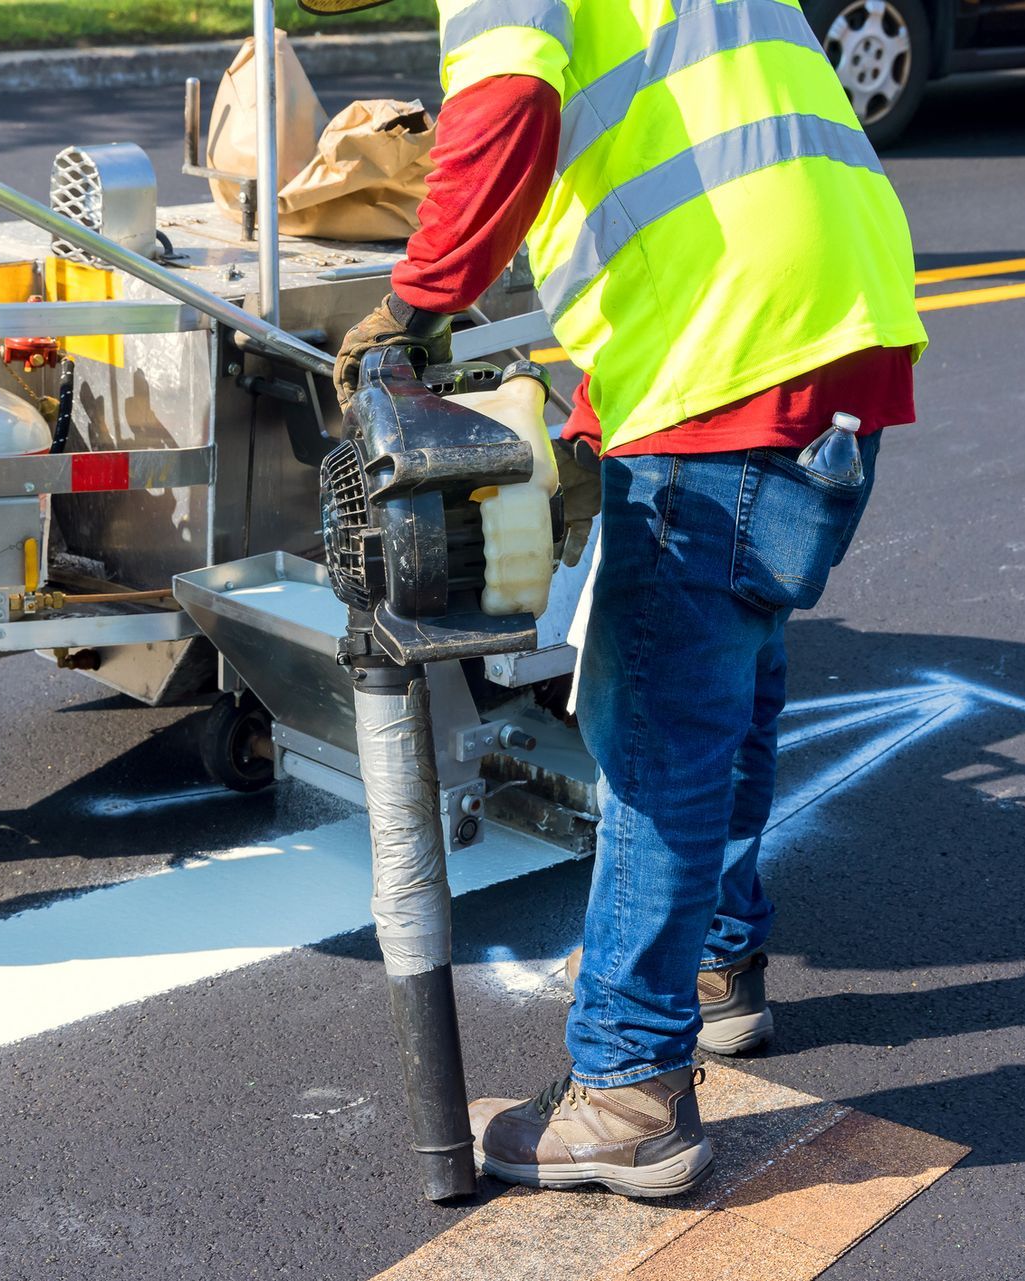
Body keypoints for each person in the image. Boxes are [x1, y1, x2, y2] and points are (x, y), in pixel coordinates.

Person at [329, 0, 927, 1195]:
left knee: (654, 725)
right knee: (733, 671)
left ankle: (628, 1089)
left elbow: (508, 109)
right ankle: (714, 972)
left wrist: (421, 301)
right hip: (839, 323)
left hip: (725, 343)